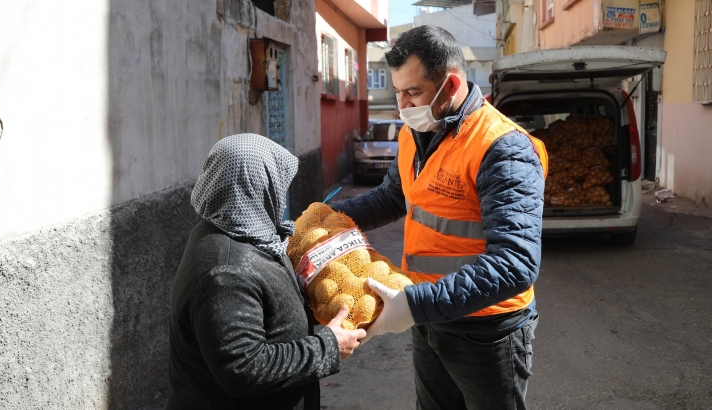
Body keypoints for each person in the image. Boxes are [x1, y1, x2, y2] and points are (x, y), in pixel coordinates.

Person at [332, 26, 548, 410]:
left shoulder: (502, 148)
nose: (402, 105)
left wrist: (413, 305)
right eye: (398, 91)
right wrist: (328, 219)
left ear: (450, 85)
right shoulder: (415, 132)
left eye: (413, 92)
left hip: (487, 331)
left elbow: (516, 263)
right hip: (427, 317)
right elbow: (392, 197)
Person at [167, 134, 366, 410]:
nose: (281, 197)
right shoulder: (225, 271)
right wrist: (327, 347)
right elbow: (244, 368)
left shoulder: (236, 231)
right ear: (257, 188)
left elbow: (265, 304)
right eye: (278, 186)